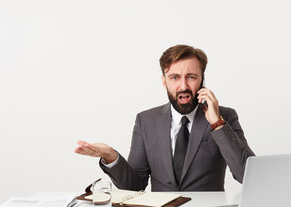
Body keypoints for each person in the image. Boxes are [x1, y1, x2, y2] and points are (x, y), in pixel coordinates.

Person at [75, 44, 255, 191]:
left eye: (191, 77)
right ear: (164, 81)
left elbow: (247, 176)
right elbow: (135, 185)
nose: (183, 86)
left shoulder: (225, 117)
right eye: (174, 77)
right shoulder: (145, 121)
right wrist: (110, 156)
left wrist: (217, 123)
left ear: (202, 80)